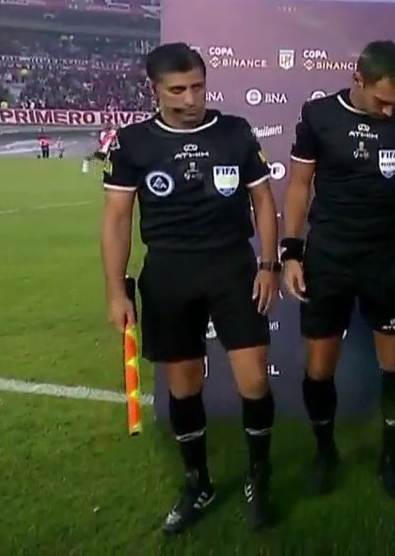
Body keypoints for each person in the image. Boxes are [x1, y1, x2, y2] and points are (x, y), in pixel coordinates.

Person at [100, 42, 280, 533]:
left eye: (198, 86)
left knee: (255, 381)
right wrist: (116, 291)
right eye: (177, 90)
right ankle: (198, 483)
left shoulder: (235, 131)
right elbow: (116, 219)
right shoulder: (133, 143)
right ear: (155, 90)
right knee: (184, 386)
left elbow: (263, 201)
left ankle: (259, 476)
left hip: (233, 268)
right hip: (169, 273)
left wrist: (268, 264)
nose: (191, 98)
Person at [281, 40, 395, 499]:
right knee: (319, 367)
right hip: (328, 257)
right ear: (358, 79)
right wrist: (291, 252)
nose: (390, 111)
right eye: (382, 101)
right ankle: (325, 453)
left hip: (385, 257)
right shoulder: (318, 115)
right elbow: (298, 184)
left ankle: (391, 458)